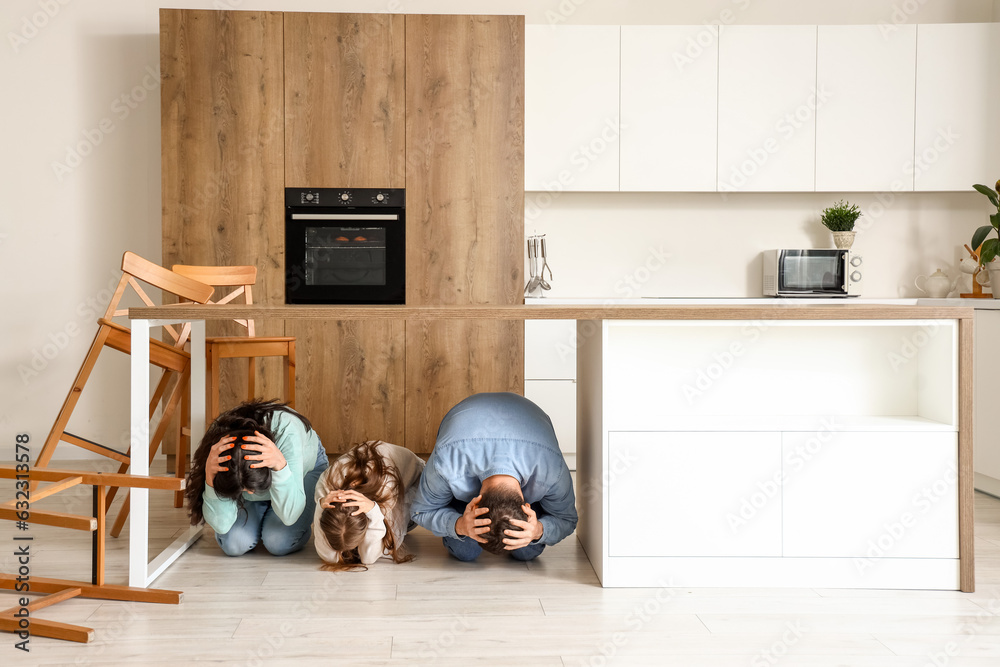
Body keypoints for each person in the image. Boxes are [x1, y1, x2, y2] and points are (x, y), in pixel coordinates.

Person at [410, 392, 577, 562]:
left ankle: (522, 533)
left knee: (526, 551)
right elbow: (419, 511)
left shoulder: (551, 470)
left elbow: (568, 519)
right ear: (473, 504)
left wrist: (538, 530)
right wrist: (459, 525)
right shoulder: (446, 464)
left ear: (528, 505)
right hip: (464, 431)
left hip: (530, 431)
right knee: (465, 550)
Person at [185, 399, 328, 556]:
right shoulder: (221, 446)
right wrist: (210, 476)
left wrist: (280, 465)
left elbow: (290, 516)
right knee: (234, 544)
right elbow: (222, 525)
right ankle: (267, 510)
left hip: (304, 470)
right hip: (247, 471)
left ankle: (272, 511)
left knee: (278, 541)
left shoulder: (287, 432)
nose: (250, 493)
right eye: (244, 490)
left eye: (249, 488)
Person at [313, 440, 424, 571]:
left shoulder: (385, 490)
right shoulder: (325, 488)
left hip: (415, 478)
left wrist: (374, 510)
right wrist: (320, 507)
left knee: (392, 537)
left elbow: (369, 558)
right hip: (372, 470)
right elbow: (329, 557)